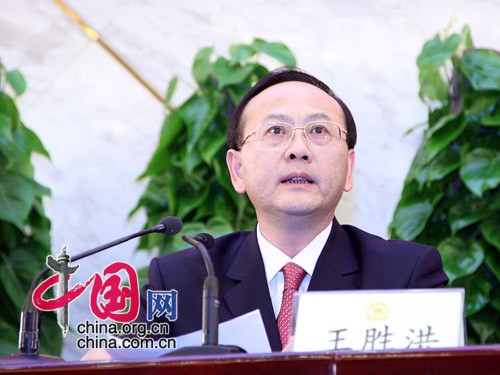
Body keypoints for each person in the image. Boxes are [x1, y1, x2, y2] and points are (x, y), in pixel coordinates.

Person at [133, 67, 449, 353]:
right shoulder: (179, 281)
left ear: (349, 167)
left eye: (319, 131)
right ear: (238, 170)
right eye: (275, 131)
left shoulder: (407, 277)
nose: (299, 150)